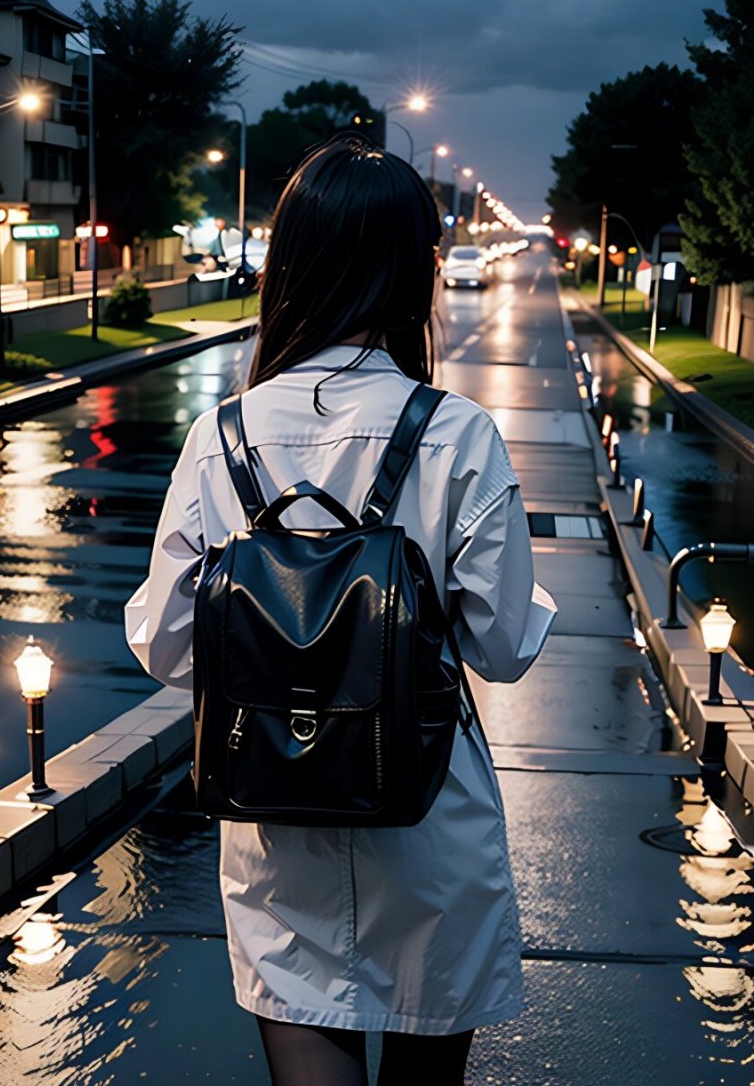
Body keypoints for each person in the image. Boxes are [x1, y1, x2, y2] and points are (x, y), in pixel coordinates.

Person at [125, 136, 536, 1086]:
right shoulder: (456, 434)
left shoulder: (221, 434)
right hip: (429, 815)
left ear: (290, 263)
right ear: (410, 271)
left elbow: (162, 642)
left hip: (274, 820)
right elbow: (504, 645)